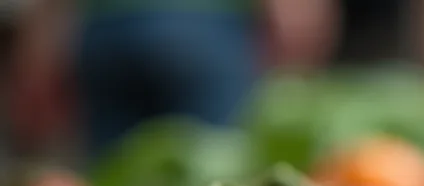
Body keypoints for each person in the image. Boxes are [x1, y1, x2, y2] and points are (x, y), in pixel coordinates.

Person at [9, 0, 337, 162]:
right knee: (213, 175)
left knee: (115, 181)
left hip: (107, 31)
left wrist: (38, 50)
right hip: (203, 28)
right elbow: (298, 20)